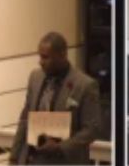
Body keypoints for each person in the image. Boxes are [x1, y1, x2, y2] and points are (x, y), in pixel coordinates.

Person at [10, 32, 100, 165]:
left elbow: (92, 129)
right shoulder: (35, 77)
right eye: (40, 56)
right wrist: (14, 157)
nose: (40, 62)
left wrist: (61, 147)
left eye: (45, 57)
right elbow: (25, 118)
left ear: (62, 55)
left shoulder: (84, 85)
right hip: (32, 160)